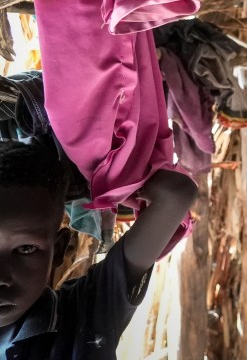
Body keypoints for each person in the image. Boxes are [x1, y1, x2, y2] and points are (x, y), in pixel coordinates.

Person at [0, 139, 197, 359]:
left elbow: (176, 194)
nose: (1, 277)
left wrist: (107, 182)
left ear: (59, 248)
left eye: (26, 249)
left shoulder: (86, 312)